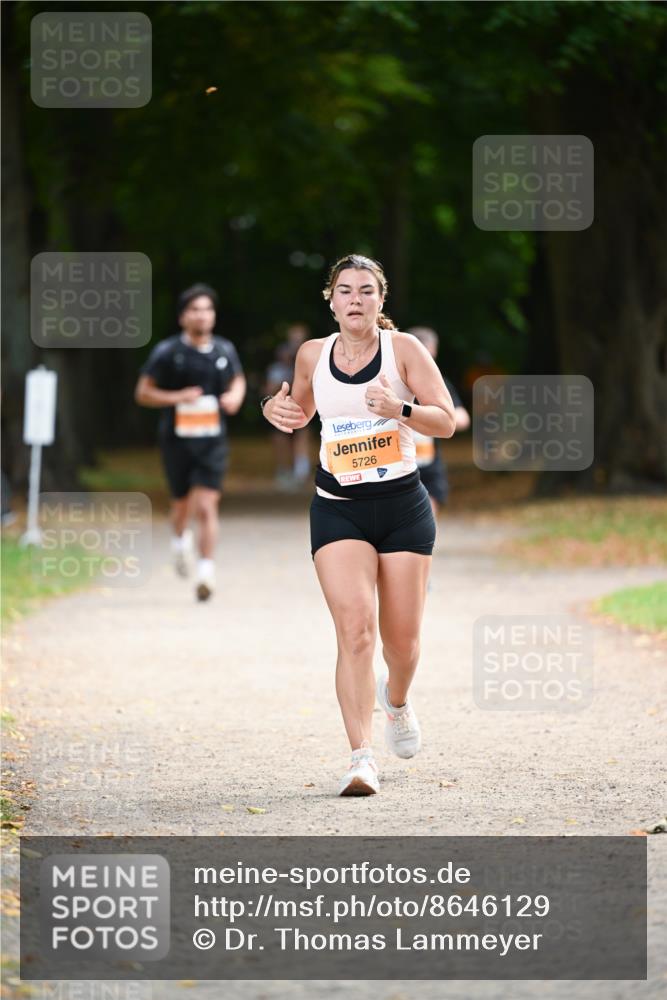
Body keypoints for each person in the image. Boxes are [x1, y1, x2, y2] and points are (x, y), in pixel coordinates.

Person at [261, 255, 455, 796]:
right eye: (345, 290)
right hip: (337, 507)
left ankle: (395, 701)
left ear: (380, 300)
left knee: (404, 644)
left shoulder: (405, 351)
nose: (355, 299)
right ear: (330, 299)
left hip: (402, 510)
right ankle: (360, 758)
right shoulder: (311, 355)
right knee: (355, 630)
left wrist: (401, 409)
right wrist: (272, 411)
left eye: (366, 291)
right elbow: (294, 411)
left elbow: (447, 419)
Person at [134, 284, 246, 601]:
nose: (202, 315)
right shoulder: (168, 352)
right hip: (177, 440)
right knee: (181, 504)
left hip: (213, 441)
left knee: (207, 505)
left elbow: (238, 378)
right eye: (195, 309)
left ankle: (206, 572)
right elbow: (143, 392)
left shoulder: (224, 350)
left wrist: (235, 396)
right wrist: (177, 397)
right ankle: (179, 540)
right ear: (183, 316)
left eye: (207, 309)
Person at [407, 327, 471, 516]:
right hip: (394, 465)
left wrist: (440, 419)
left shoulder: (439, 383)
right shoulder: (391, 381)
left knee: (425, 519)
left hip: (428, 466)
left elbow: (462, 418)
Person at [263, 324, 312, 490]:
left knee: (302, 437)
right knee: (280, 439)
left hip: (303, 408)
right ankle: (284, 471)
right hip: (283, 408)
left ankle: (301, 473)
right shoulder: (278, 367)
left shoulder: (311, 354)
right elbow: (268, 391)